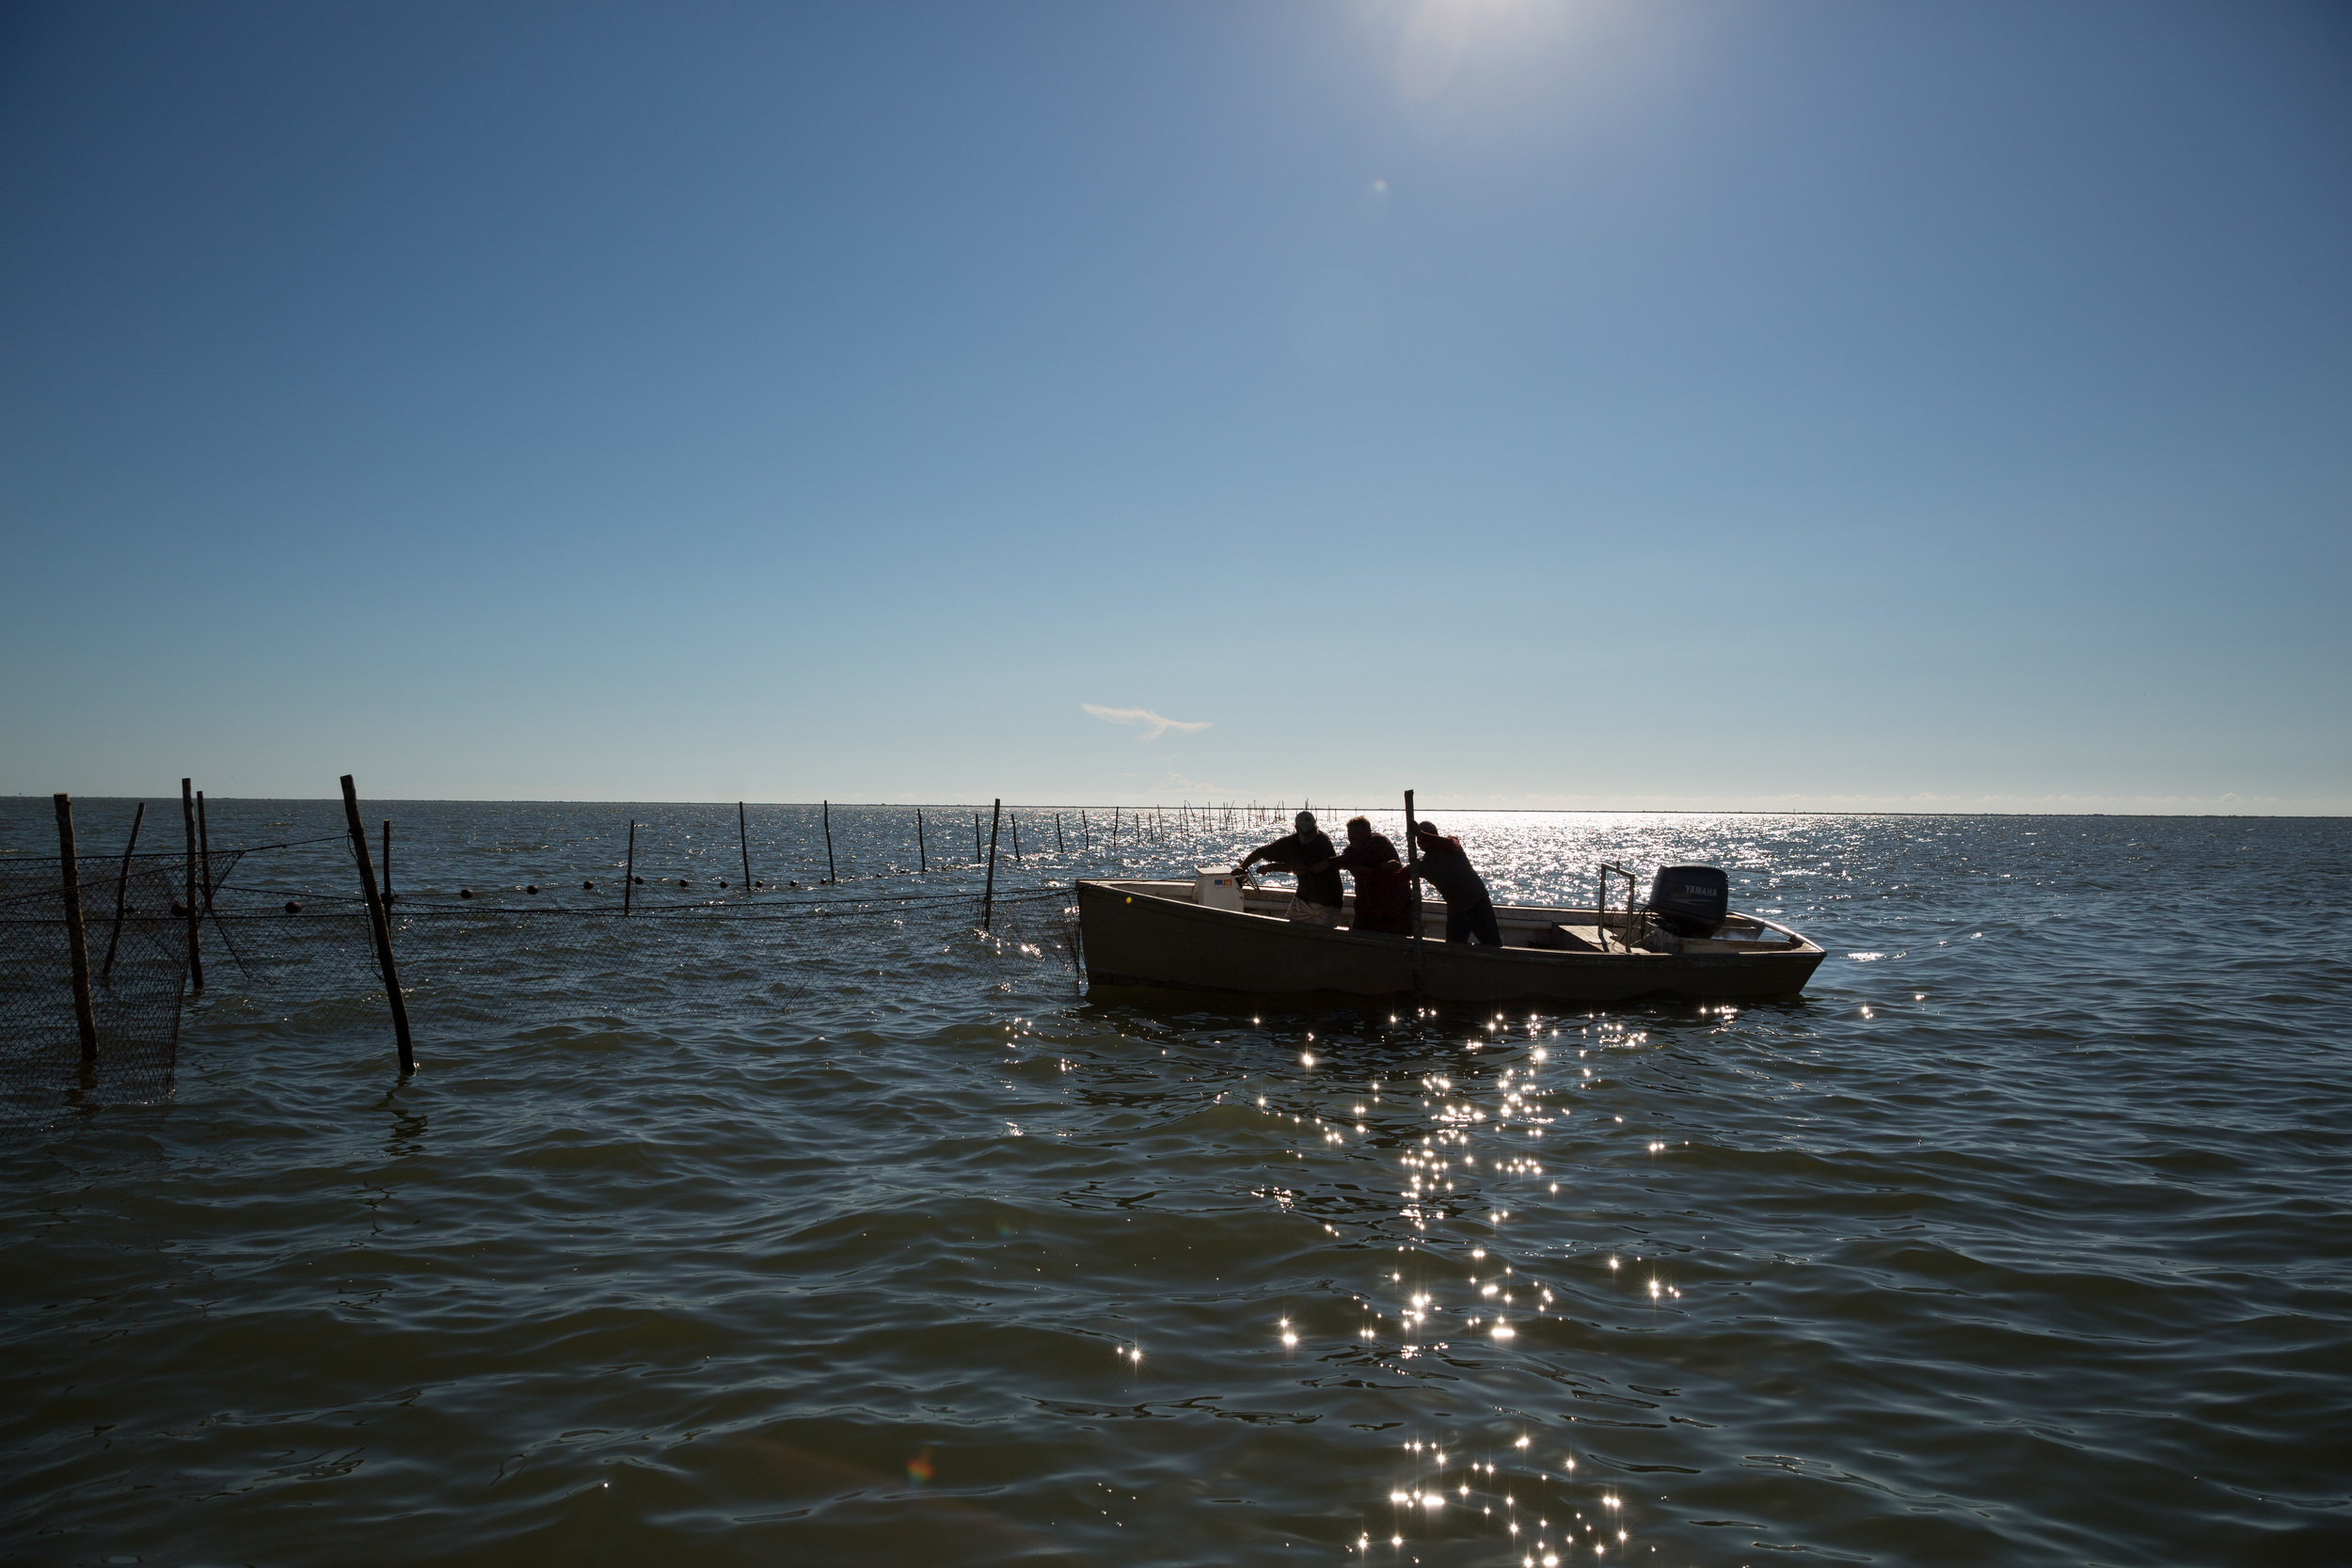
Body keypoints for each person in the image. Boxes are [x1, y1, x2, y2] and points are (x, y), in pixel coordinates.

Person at [1236, 811, 1343, 927]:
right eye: (1307, 831)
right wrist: (1242, 867)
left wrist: (1270, 867)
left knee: (1321, 940)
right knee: (1289, 931)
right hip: (1303, 900)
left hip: (1328, 904)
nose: (1311, 833)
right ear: (1297, 829)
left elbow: (1301, 867)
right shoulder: (1291, 842)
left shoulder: (1322, 841)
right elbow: (1260, 852)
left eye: (1313, 829)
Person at [1409, 819, 1504, 948]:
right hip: (1456, 911)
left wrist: (1422, 834)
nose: (1421, 842)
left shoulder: (1451, 845)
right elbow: (1402, 874)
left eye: (1426, 837)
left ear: (1434, 836)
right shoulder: (1423, 865)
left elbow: (1448, 843)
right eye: (1418, 839)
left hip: (1478, 904)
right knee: (1453, 949)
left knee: (1493, 945)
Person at [1334, 816, 1411, 936]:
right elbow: (1355, 869)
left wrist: (1328, 862)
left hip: (1392, 910)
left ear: (1368, 832)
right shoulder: (1350, 851)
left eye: (1357, 832)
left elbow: (1354, 861)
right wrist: (1380, 866)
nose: (1353, 836)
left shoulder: (1378, 841)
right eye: (1350, 833)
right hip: (1367, 910)